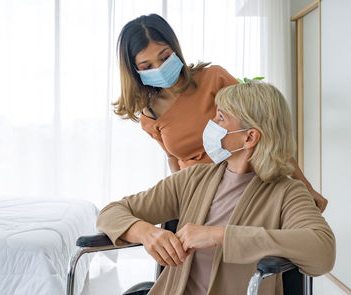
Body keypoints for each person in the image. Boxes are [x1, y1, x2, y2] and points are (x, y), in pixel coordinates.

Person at [98, 81, 335, 295]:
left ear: (249, 137)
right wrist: (146, 233)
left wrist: (220, 235)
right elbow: (110, 213)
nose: (211, 124)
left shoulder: (287, 193)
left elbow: (322, 252)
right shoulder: (193, 178)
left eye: (220, 118)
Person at [112, 13, 327, 212]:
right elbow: (173, 158)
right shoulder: (149, 116)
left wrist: (306, 186)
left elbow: (265, 131)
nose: (159, 67)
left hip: (244, 186)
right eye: (147, 65)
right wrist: (184, 198)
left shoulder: (214, 79)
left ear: (175, 49)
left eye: (165, 56)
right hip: (199, 195)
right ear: (134, 69)